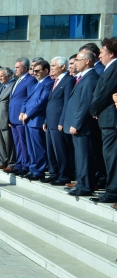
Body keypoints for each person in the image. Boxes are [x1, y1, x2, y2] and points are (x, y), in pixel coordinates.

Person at [64, 51, 100, 197]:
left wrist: (76, 124)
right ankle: (80, 183)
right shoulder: (83, 77)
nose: (75, 63)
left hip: (83, 127)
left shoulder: (91, 78)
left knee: (84, 157)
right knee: (80, 157)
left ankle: (86, 186)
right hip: (79, 126)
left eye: (78, 60)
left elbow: (85, 104)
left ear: (87, 61)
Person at [89, 38, 117, 203]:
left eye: (102, 52)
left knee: (111, 156)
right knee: (108, 155)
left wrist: (93, 109)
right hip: (106, 119)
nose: (99, 56)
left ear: (111, 53)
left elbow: (104, 93)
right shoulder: (109, 68)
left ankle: (112, 191)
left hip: (110, 119)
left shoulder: (114, 67)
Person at [43, 56, 75, 185]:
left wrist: (62, 121)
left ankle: (64, 175)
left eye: (54, 65)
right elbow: (50, 102)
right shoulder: (55, 81)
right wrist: (45, 120)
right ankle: (53, 172)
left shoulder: (69, 80)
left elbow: (67, 103)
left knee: (60, 150)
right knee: (51, 149)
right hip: (50, 121)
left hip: (58, 122)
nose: (51, 68)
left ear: (63, 66)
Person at [19, 60, 53, 180]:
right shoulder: (36, 84)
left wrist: (28, 113)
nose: (34, 73)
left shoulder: (49, 83)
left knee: (38, 147)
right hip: (28, 120)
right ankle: (33, 168)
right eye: (33, 70)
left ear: (46, 71)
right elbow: (26, 100)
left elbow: (41, 102)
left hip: (36, 119)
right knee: (31, 147)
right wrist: (22, 111)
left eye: (37, 71)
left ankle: (39, 170)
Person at [5, 58, 37, 176]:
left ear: (25, 67)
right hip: (13, 117)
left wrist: (24, 113)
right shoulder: (17, 81)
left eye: (18, 67)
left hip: (21, 116)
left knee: (23, 142)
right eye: (15, 67)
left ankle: (26, 164)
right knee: (17, 142)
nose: (15, 69)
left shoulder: (30, 80)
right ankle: (19, 163)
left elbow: (30, 99)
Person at [0, 68, 17, 170]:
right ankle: (2, 161)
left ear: (9, 75)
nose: (0, 78)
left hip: (6, 119)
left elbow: (11, 105)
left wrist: (10, 120)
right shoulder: (2, 87)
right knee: (0, 143)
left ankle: (11, 163)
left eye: (2, 76)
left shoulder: (13, 86)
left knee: (8, 143)